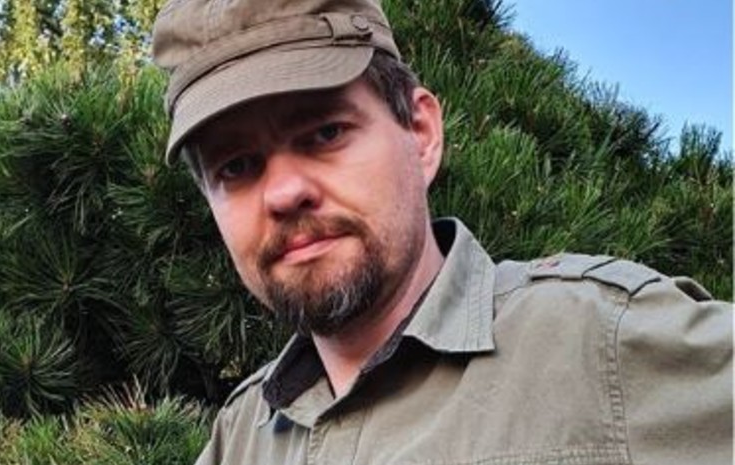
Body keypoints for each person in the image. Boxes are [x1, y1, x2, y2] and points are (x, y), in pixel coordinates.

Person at [151, 1, 733, 464]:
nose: (283, 193)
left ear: (421, 132)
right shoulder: (240, 436)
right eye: (236, 167)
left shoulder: (604, 342)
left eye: (325, 133)